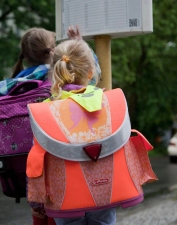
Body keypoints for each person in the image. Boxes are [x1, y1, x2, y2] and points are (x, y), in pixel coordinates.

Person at [27, 39, 116, 225]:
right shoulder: (106, 103)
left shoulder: (46, 110)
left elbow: (36, 159)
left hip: (65, 194)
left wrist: (36, 197)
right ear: (91, 72)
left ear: (54, 71)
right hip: (103, 187)